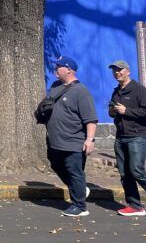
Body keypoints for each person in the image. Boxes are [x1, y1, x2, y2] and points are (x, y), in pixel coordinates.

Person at [44, 55, 97, 218]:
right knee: (56, 165)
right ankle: (80, 189)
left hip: (73, 141)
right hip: (55, 140)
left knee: (75, 172)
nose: (55, 69)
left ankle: (80, 206)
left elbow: (90, 119)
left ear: (68, 69)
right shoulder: (55, 86)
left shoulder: (81, 92)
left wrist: (89, 140)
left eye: (58, 67)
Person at [107, 59, 146, 217]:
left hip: (137, 136)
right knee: (125, 173)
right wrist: (113, 111)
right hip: (120, 137)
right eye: (115, 70)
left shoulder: (140, 90)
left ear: (128, 71)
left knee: (137, 170)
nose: (117, 72)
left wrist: (126, 111)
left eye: (120, 69)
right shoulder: (116, 92)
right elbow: (112, 110)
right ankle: (135, 205)